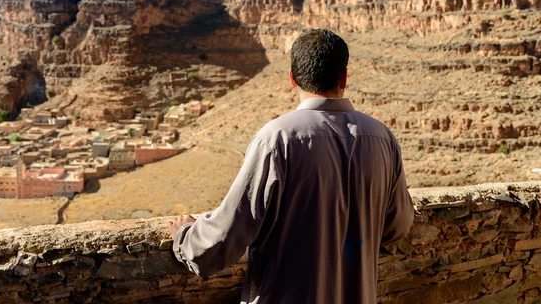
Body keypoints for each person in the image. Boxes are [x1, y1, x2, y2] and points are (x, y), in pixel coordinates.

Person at [168, 28, 414, 303]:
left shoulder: (278, 139)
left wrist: (185, 237)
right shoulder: (382, 138)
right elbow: (398, 225)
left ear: (292, 79)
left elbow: (229, 233)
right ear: (344, 76)